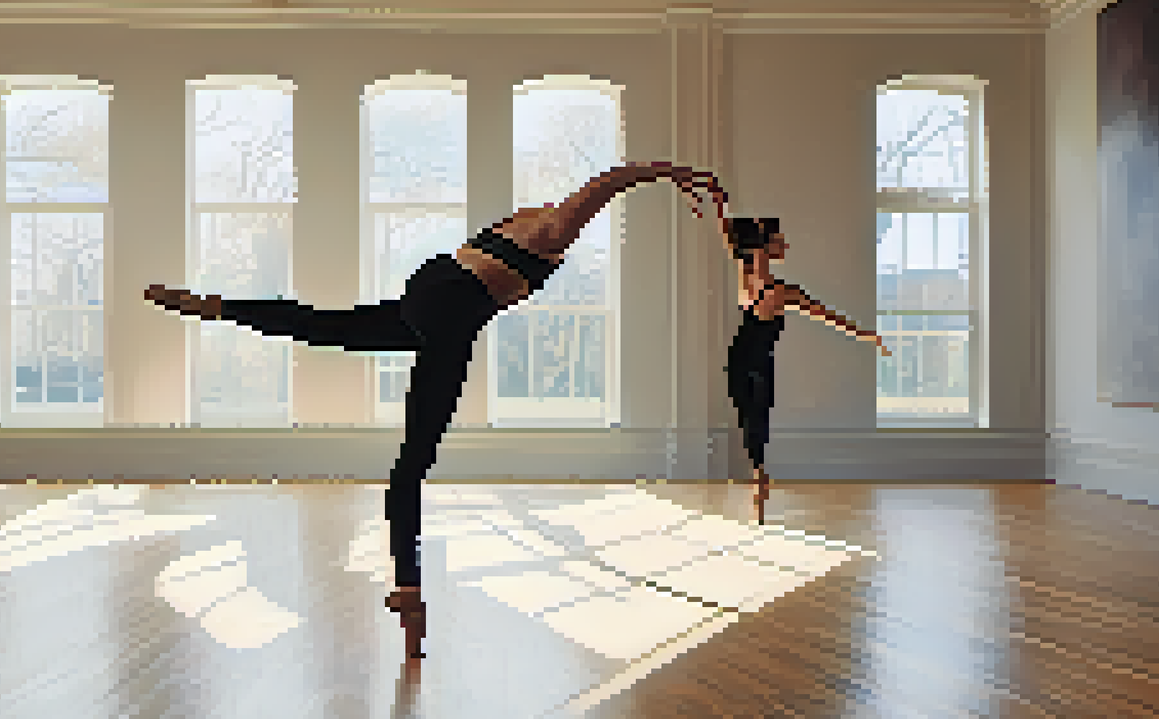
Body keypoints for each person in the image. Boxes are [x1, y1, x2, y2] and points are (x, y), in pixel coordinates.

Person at [145, 161, 727, 659]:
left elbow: (605, 185)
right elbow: (598, 188)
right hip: (421, 313)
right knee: (326, 340)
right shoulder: (524, 231)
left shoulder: (548, 231)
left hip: (441, 317)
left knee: (339, 358)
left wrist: (661, 172)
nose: (551, 207)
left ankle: (408, 586)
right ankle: (220, 307)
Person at [722, 217, 892, 525]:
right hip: (755, 363)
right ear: (763, 247)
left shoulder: (746, 281)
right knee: (755, 422)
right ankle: (759, 484)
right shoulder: (779, 291)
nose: (785, 246)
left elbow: (733, 234)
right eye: (779, 241)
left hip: (739, 361)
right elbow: (831, 318)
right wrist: (869, 336)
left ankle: (758, 484)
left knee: (754, 423)